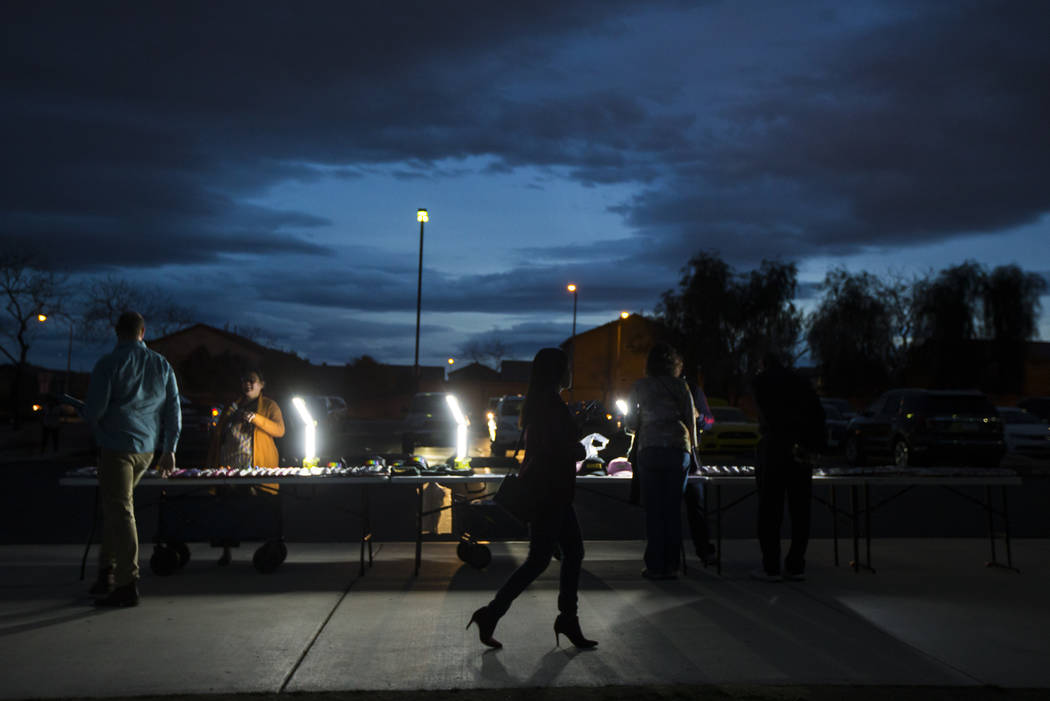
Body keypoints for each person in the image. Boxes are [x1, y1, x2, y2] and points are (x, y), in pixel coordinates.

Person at [467, 347, 602, 649]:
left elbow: (551, 444)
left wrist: (575, 427)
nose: (571, 373)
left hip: (550, 492)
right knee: (540, 560)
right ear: (558, 372)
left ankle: (566, 618)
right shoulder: (551, 405)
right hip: (550, 493)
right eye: (567, 367)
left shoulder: (542, 403)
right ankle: (494, 613)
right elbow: (559, 449)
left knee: (568, 553)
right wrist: (583, 448)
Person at [84, 311, 181, 607]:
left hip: (117, 447)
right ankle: (106, 572)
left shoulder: (109, 364)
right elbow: (173, 410)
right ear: (143, 331)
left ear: (117, 332)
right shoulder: (161, 364)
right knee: (117, 508)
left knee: (121, 511)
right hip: (147, 450)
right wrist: (169, 449)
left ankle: (126, 582)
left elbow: (95, 410)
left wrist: (93, 423)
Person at [750, 351, 825, 582]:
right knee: (800, 511)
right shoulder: (802, 383)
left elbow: (765, 416)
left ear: (763, 363)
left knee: (770, 510)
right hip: (801, 450)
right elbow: (819, 415)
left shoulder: (762, 382)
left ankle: (770, 566)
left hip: (774, 447)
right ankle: (795, 564)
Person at [626, 342, 698, 580]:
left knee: (654, 510)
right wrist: (694, 450)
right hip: (678, 450)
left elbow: (630, 422)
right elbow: (691, 419)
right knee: (672, 509)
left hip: (650, 448)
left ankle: (655, 565)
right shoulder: (681, 386)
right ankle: (672, 565)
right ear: (675, 365)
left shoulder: (640, 386)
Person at [205, 369, 285, 565]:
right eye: (244, 380)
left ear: (261, 384)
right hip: (228, 468)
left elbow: (279, 430)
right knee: (226, 510)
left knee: (260, 508)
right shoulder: (232, 406)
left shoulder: (269, 405)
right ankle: (226, 551)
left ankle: (267, 546)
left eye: (252, 380)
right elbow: (218, 433)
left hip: (255, 468)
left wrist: (256, 419)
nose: (248, 384)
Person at [683, 370, 717, 564]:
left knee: (696, 506)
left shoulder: (692, 390)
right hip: (680, 456)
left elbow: (709, 422)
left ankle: (704, 550)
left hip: (689, 456)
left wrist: (697, 415)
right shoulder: (651, 388)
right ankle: (665, 555)